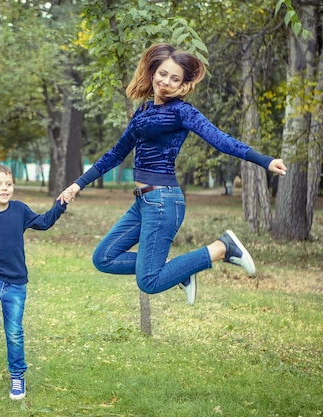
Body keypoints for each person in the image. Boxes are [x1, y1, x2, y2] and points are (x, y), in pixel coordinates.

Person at [59, 43, 287, 306]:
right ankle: (178, 269)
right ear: (153, 71)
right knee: (104, 258)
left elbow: (221, 140)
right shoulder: (143, 112)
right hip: (143, 203)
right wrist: (78, 185)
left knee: (149, 281)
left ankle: (221, 248)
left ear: (182, 84)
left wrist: (265, 160)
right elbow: (115, 154)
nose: (166, 81)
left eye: (175, 78)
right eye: (163, 74)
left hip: (163, 201)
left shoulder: (182, 111)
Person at [0, 163, 70, 401]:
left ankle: (17, 376)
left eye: (9, 184)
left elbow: (43, 223)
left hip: (16, 284)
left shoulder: (19, 210)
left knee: (14, 333)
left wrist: (60, 204)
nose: (4, 189)